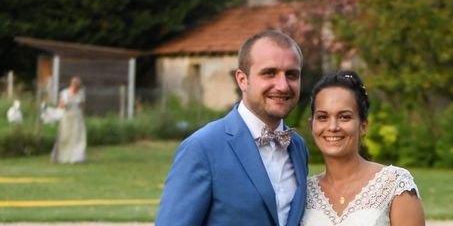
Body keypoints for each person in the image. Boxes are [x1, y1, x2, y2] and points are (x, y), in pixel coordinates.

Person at [156, 30, 309, 226]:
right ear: (242, 80)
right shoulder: (202, 148)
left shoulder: (298, 147)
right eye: (269, 73)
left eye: (291, 75)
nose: (282, 85)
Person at [302, 71, 425, 226]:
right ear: (311, 125)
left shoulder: (394, 185)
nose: (332, 127)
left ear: (363, 126)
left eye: (344, 117)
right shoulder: (304, 193)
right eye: (322, 117)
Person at [51, 76, 87, 163]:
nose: (77, 88)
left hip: (77, 117)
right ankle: (63, 157)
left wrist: (82, 114)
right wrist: (64, 105)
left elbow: (82, 106)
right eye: (76, 85)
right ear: (72, 84)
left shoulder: (80, 94)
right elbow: (60, 105)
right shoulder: (65, 93)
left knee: (77, 138)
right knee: (65, 137)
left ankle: (77, 158)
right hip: (67, 117)